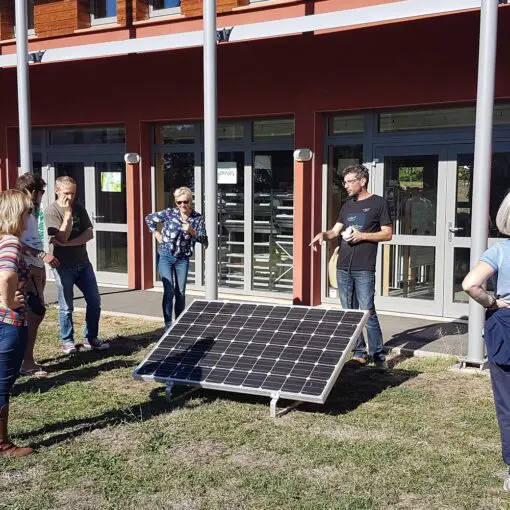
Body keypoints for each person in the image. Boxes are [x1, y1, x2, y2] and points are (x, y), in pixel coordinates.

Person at [310, 164, 393, 369]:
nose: (346, 186)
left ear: (362, 181)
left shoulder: (378, 203)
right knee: (349, 313)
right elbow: (335, 231)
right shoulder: (347, 205)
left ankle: (378, 356)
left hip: (364, 267)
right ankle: (359, 353)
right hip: (343, 266)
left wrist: (362, 235)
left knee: (367, 311)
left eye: (349, 182)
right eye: (344, 182)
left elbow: (387, 234)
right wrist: (323, 235)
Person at [462, 191, 510, 492]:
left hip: (506, 327)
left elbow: (469, 284)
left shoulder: (501, 250)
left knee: (507, 402)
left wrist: (493, 301)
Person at [44, 176, 108, 354]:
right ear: (57, 191)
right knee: (66, 306)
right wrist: (67, 215)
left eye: (73, 193)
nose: (70, 197)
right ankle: (67, 341)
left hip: (83, 263)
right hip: (63, 266)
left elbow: (89, 234)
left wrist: (68, 244)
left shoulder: (79, 207)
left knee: (94, 301)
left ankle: (91, 337)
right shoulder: (51, 211)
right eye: (66, 193)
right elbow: (61, 237)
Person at [0, 189, 35, 456]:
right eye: (28, 211)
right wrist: (9, 301)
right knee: (2, 384)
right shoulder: (11, 242)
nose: (30, 217)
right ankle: (2, 445)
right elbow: (7, 276)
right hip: (8, 322)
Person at [145, 187, 208, 329]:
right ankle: (168, 324)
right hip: (165, 256)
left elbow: (205, 240)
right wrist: (156, 233)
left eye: (185, 202)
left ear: (190, 201)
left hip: (182, 259)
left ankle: (178, 324)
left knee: (180, 292)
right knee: (169, 290)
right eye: (179, 202)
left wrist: (192, 231)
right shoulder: (169, 213)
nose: (182, 205)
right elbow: (149, 218)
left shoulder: (197, 218)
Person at [17, 172, 60, 377]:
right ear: (33, 191)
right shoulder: (18, 210)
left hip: (36, 267)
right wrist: (40, 254)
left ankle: (25, 358)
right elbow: (12, 241)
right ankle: (25, 361)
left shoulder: (32, 211)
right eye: (41, 192)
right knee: (31, 313)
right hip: (25, 269)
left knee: (36, 312)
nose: (42, 196)